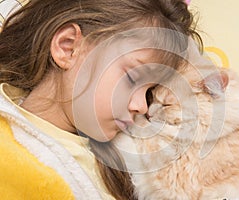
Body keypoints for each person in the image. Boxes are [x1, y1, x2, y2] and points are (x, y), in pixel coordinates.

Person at [0, 0, 201, 199]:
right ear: (68, 47)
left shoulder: (123, 163)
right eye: (133, 78)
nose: (141, 106)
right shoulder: (10, 159)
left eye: (149, 91)